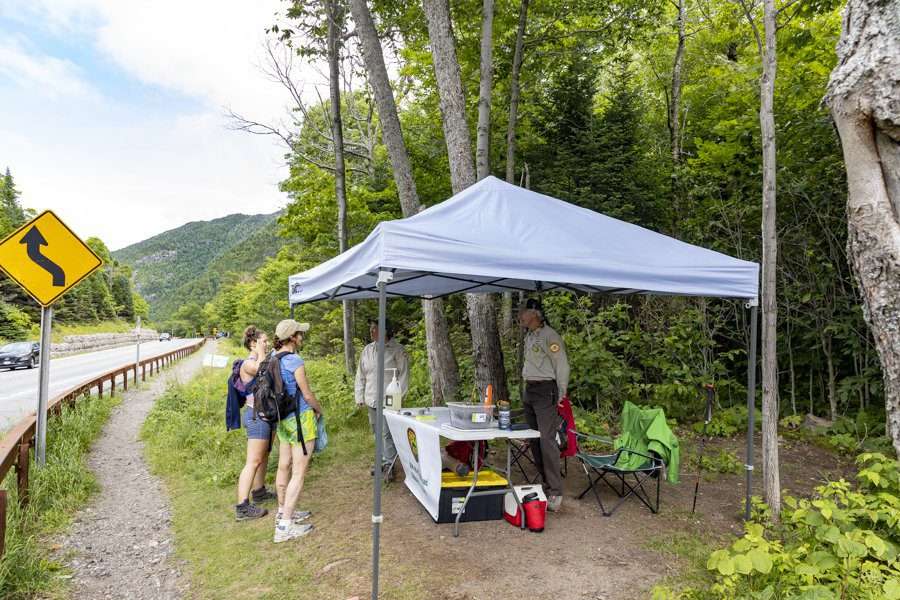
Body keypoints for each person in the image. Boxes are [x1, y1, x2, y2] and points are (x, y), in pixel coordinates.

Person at [271, 319, 323, 543]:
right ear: (292, 337)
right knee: (299, 472)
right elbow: (307, 394)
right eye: (300, 333)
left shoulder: (272, 359)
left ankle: (283, 511)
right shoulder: (295, 360)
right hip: (301, 419)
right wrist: (319, 410)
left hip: (283, 420)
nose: (302, 336)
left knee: (284, 466)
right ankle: (284, 527)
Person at [519, 298, 570, 512]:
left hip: (545, 390)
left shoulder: (550, 336)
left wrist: (561, 391)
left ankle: (556, 492)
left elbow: (562, 365)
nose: (520, 315)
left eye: (524, 312)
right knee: (534, 438)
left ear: (535, 314)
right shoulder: (530, 336)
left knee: (547, 440)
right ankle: (545, 482)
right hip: (530, 390)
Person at [355, 319, 409, 479]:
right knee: (376, 432)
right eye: (371, 329)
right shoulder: (367, 350)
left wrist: (400, 397)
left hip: (391, 399)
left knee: (387, 433)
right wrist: (359, 395)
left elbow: (404, 375)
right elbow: (361, 374)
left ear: (385, 331)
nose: (371, 332)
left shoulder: (397, 350)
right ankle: (380, 462)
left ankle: (389, 465)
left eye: (375, 329)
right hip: (371, 398)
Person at [234, 326, 276, 521]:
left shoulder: (262, 359)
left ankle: (259, 492)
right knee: (253, 461)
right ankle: (242, 507)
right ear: (253, 343)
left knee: (263, 456)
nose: (266, 344)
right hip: (255, 416)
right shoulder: (248, 364)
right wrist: (260, 352)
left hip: (265, 414)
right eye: (263, 341)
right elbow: (260, 369)